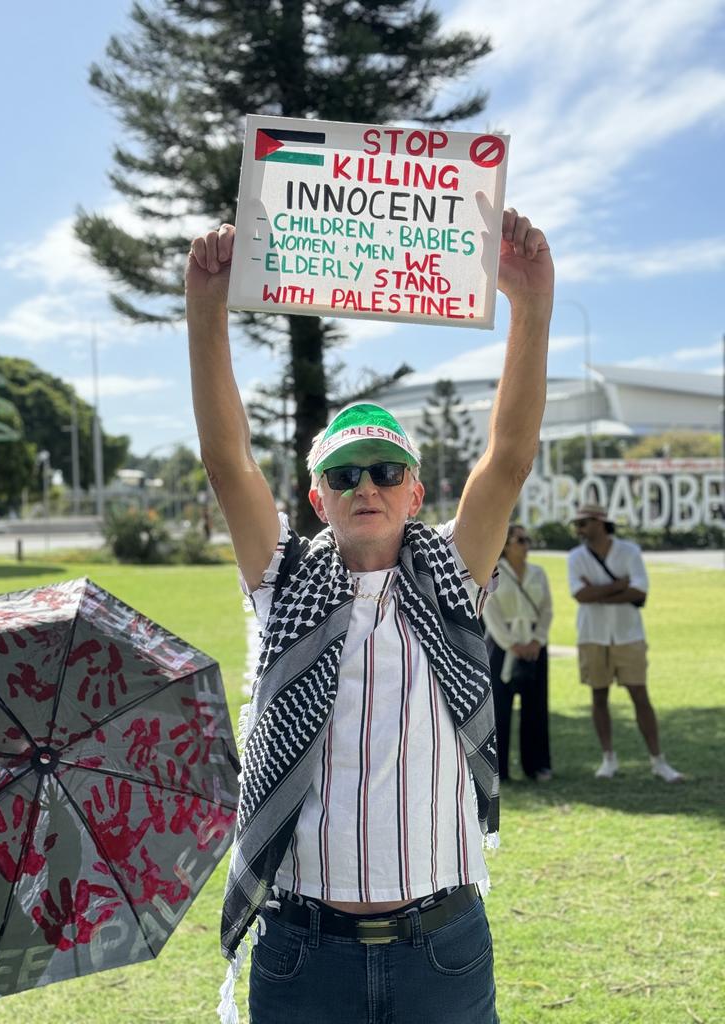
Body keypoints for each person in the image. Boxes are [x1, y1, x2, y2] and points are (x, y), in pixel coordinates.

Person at [186, 207, 554, 1024]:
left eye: (387, 471)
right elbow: (227, 461)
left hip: (443, 948)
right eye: (345, 476)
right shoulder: (282, 582)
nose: (367, 488)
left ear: (416, 492)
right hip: (303, 951)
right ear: (317, 498)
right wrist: (206, 310)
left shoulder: (454, 577)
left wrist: (530, 305)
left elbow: (509, 458)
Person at [567, 503, 683, 782]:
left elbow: (640, 589)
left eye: (583, 523)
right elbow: (580, 594)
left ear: (600, 522)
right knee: (598, 697)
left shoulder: (629, 551)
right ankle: (608, 758)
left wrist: (600, 594)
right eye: (578, 524)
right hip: (592, 635)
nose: (579, 529)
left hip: (628, 635)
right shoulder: (576, 556)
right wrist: (619, 586)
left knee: (640, 696)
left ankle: (658, 760)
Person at [483, 523, 553, 783]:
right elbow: (490, 612)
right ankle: (498, 769)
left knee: (536, 705)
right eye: (520, 540)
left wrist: (537, 640)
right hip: (502, 646)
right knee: (499, 707)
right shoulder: (494, 572)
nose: (526, 546)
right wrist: (512, 643)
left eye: (527, 540)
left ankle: (537, 765)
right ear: (506, 544)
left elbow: (547, 609)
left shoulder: (538, 573)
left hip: (534, 644)